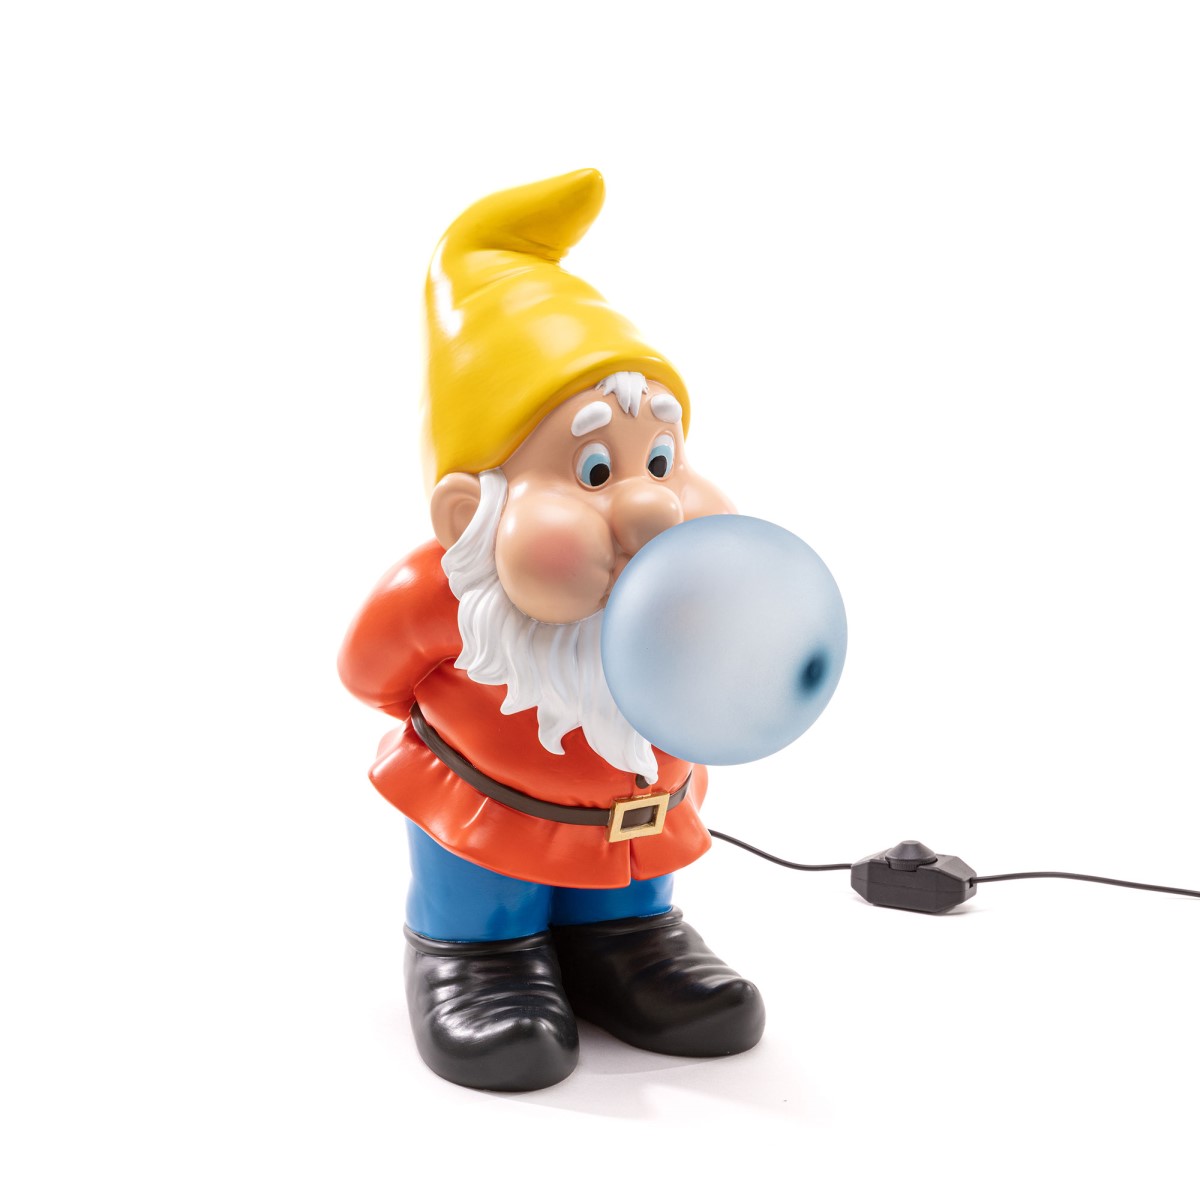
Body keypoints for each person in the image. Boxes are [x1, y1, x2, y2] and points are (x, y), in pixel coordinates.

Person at [339, 169, 765, 1092]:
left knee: (631, 876)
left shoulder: (684, 590)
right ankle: (475, 953)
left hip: (634, 821)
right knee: (482, 884)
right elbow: (370, 673)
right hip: (485, 810)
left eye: (663, 460)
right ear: (470, 514)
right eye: (594, 473)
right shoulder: (443, 593)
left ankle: (627, 939)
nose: (653, 509)